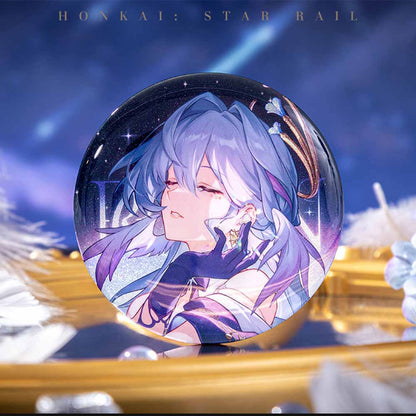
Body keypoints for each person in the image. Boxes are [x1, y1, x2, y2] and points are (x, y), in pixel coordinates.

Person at [83, 92, 324, 343]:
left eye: (205, 187)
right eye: (171, 182)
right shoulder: (172, 278)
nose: (174, 196)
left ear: (247, 212)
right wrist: (182, 269)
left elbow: (183, 345)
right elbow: (146, 331)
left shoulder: (253, 283)